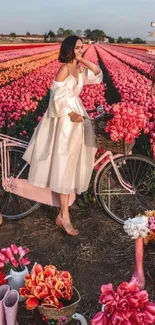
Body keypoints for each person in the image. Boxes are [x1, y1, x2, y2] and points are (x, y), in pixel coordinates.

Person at [23, 35, 103, 236]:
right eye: (77, 48)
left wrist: (82, 59)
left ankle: (64, 211)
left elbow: (99, 73)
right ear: (69, 48)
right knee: (64, 162)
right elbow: (55, 97)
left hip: (78, 117)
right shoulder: (64, 69)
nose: (80, 50)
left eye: (82, 47)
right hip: (65, 121)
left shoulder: (80, 69)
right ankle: (64, 215)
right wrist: (69, 113)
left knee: (73, 161)